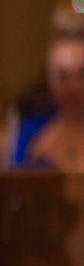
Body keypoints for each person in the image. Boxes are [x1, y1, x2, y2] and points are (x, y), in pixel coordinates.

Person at [10, 33, 84, 170]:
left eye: (82, 74)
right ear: (48, 78)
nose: (73, 86)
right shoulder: (33, 128)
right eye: (63, 75)